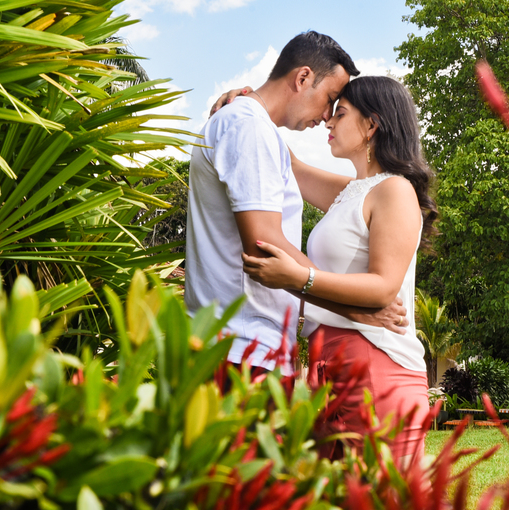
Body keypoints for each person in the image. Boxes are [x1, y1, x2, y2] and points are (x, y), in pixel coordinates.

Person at [238, 75, 438, 465]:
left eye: (340, 113)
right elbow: (288, 164)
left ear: (371, 125)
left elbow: (383, 288)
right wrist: (248, 103)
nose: (328, 122)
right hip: (333, 367)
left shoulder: (394, 190)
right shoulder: (353, 191)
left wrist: (300, 279)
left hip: (376, 366)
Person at [184, 32, 408, 377]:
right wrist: (358, 311)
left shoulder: (255, 129)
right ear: (303, 77)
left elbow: (345, 187)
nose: (327, 117)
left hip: (247, 347)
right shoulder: (248, 128)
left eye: (339, 110)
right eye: (330, 99)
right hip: (242, 348)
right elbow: (264, 247)